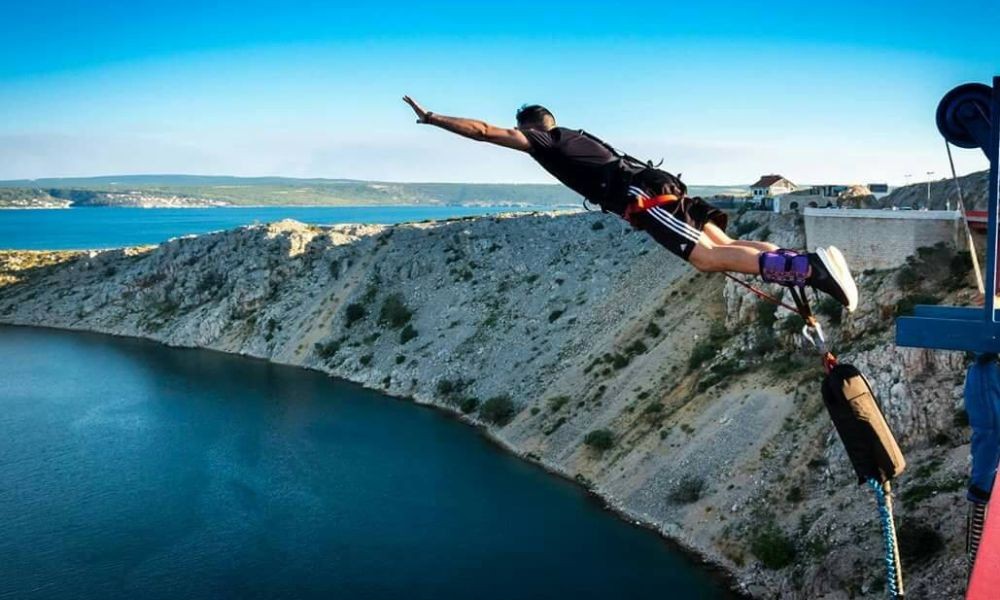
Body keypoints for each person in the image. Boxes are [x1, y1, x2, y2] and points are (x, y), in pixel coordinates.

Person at [402, 97, 858, 311]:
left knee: (707, 260)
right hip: (660, 185)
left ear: (531, 127)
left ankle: (809, 270)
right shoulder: (578, 136)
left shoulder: (547, 141)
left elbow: (484, 131)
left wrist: (433, 118)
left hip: (644, 196)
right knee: (729, 243)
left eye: (523, 132)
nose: (523, 139)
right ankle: (805, 263)